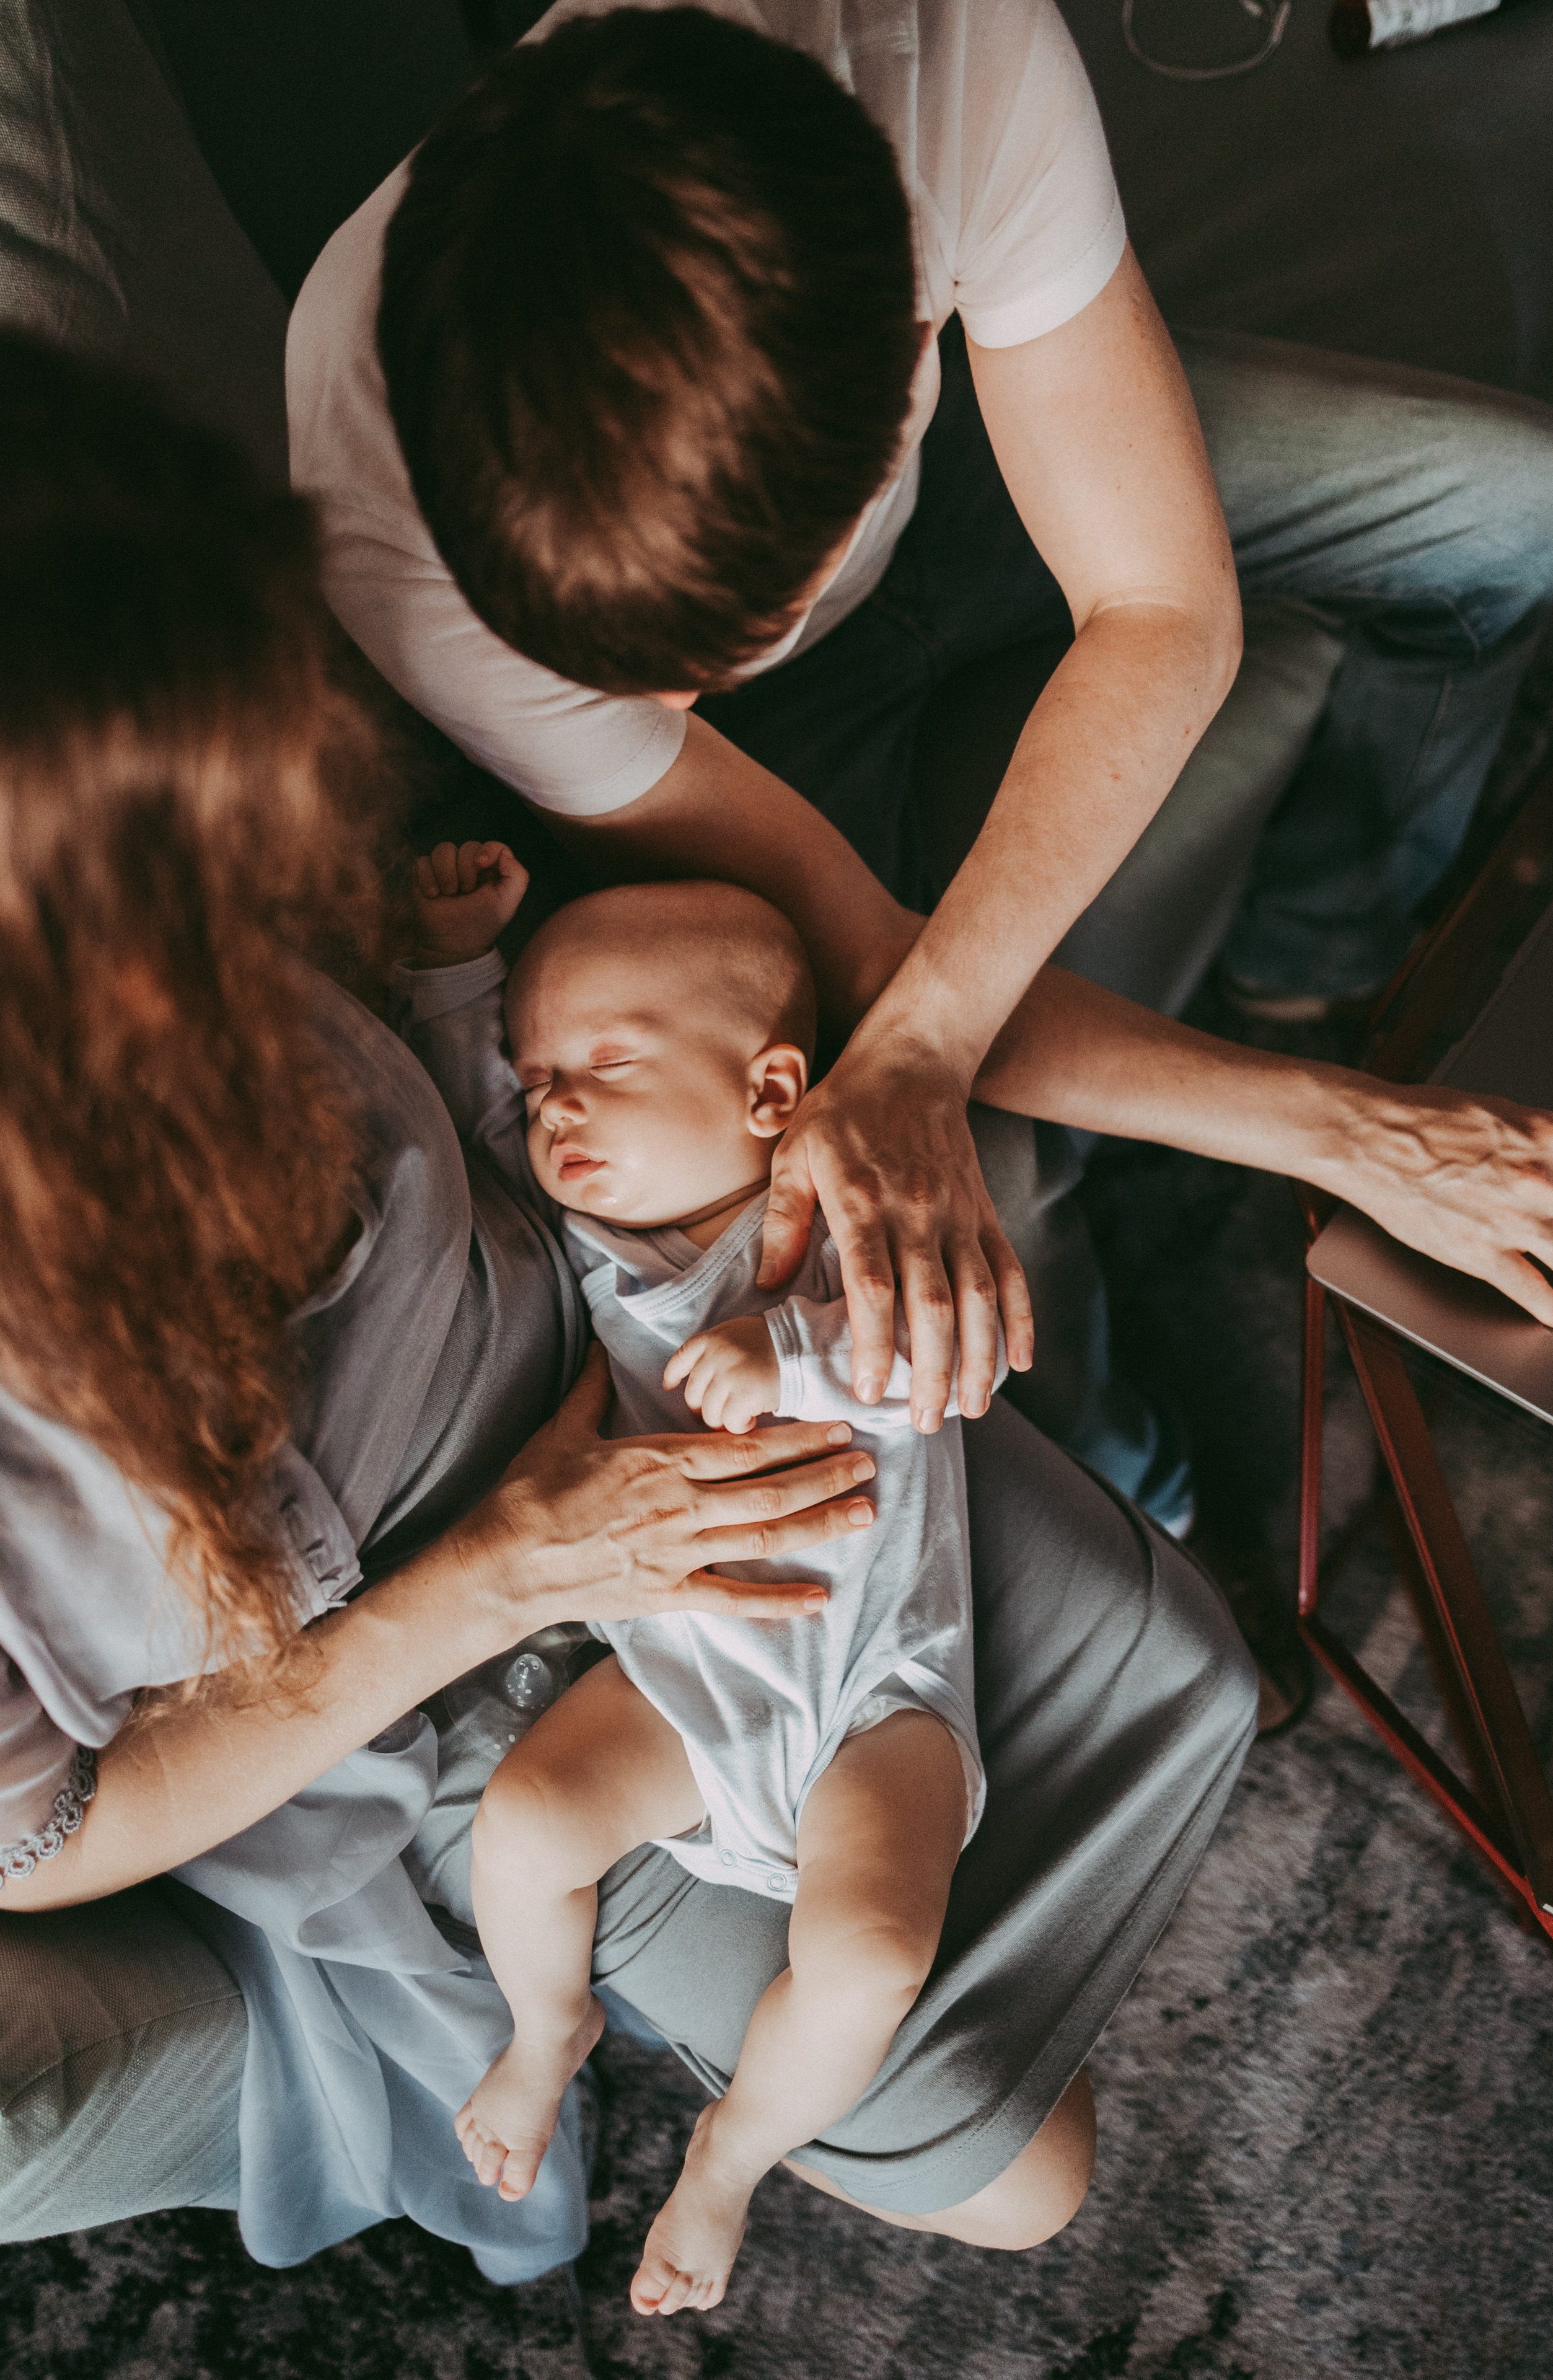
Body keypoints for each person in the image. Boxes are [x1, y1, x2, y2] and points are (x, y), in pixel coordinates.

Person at [0, 330, 1259, 2277]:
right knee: (1031, 2179)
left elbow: (795, 996)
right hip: (443, 1691)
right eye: (198, 888)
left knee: (1182, 1676)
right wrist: (508, 1570)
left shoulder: (141, 743)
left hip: (692, 1432)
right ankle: (659, 2082)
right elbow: (49, 1833)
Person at [288, 0, 1553, 1554]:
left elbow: (1163, 608)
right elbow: (855, 938)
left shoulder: (955, 52)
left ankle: (1321, 949)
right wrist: (1348, 1134)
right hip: (739, 784)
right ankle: (1154, 1518)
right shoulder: (397, 514)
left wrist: (1337, 1105)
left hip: (946, 490)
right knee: (983, 1192)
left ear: (917, 317)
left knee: (1522, 511)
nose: (673, 692)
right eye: (642, 667)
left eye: (720, 641)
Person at [407, 850, 997, 2314]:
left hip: (876, 1692)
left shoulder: (833, 1204)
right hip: (680, 1684)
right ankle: (549, 2032)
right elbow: (474, 1124)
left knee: (866, 1952)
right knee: (529, 1819)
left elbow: (928, 1351)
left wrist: (785, 1353)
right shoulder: (594, 1246)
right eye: (544, 1073)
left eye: (605, 1063)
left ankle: (730, 2155)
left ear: (769, 1094)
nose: (558, 1106)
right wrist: (453, 968)